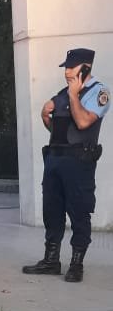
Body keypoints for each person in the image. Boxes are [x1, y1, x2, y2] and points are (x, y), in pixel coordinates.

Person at [22, 47, 110, 283]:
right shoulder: (61, 94)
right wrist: (44, 116)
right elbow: (58, 129)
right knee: (52, 211)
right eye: (66, 68)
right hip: (55, 160)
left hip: (79, 163)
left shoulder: (99, 92)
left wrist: (73, 95)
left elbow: (82, 123)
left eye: (71, 67)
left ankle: (76, 264)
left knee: (79, 212)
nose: (67, 72)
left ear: (85, 68)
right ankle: (51, 260)